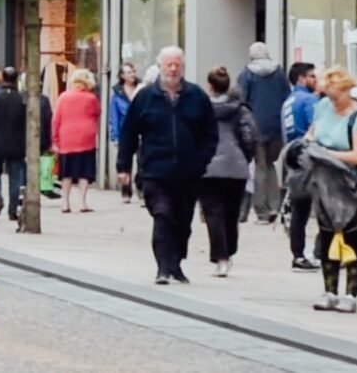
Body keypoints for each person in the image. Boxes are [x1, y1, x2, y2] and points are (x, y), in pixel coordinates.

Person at [116, 46, 219, 285]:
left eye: (177, 64)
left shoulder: (197, 97)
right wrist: (124, 167)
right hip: (155, 171)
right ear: (160, 66)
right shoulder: (145, 98)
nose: (173, 69)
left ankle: (176, 264)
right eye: (168, 64)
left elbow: (210, 134)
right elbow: (129, 133)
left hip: (187, 173)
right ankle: (162, 267)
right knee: (163, 216)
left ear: (182, 66)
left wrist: (201, 161)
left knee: (183, 222)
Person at [304, 67, 357, 311]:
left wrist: (327, 154)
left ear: (346, 91)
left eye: (335, 96)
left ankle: (351, 295)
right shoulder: (323, 108)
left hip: (350, 186)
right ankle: (329, 291)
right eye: (328, 96)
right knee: (326, 238)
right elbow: (311, 133)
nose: (331, 101)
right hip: (323, 183)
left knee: (352, 240)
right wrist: (309, 143)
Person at [198, 66, 258, 276]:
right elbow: (249, 136)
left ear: (210, 86)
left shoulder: (201, 109)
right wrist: (244, 157)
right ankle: (229, 251)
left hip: (208, 167)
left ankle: (221, 257)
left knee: (213, 214)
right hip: (236, 167)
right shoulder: (240, 109)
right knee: (231, 214)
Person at [0, 67, 51, 229]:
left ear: (3, 78)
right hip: (17, 144)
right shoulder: (23, 100)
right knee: (15, 177)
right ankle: (12, 209)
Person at [237, 43, 288, 223]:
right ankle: (275, 205)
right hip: (276, 126)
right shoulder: (279, 73)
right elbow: (286, 97)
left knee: (260, 166)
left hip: (256, 127)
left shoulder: (247, 74)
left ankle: (262, 210)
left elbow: (241, 101)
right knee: (271, 164)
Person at [283, 62, 320, 270]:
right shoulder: (309, 100)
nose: (316, 80)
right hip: (308, 156)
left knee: (300, 208)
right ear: (301, 79)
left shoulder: (289, 101)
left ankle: (298, 253)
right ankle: (320, 251)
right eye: (312, 76)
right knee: (324, 204)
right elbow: (316, 128)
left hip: (293, 155)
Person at [53, 68, 101, 213]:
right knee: (84, 171)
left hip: (67, 137)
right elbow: (97, 112)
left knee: (66, 173)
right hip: (86, 137)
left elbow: (56, 119)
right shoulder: (91, 98)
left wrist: (55, 140)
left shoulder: (63, 97)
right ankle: (82, 202)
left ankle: (65, 203)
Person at [109, 62, 142, 204]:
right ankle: (126, 191)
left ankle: (141, 189)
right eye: (128, 72)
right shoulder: (118, 94)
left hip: (141, 129)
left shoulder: (142, 89)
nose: (131, 74)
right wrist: (114, 136)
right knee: (124, 163)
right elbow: (113, 116)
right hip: (125, 131)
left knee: (143, 161)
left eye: (133, 71)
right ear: (122, 76)